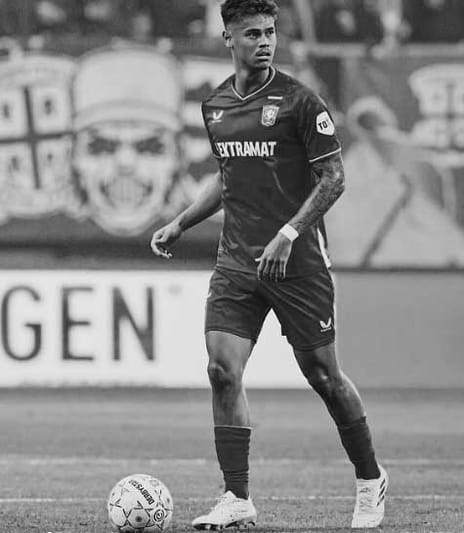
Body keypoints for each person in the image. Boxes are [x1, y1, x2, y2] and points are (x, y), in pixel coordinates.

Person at [149, 0, 388, 529]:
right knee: (221, 370)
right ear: (228, 38)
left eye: (270, 32)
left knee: (324, 376)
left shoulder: (301, 102)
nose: (264, 42)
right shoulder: (215, 106)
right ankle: (237, 497)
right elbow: (228, 177)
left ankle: (370, 479)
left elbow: (334, 178)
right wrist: (181, 222)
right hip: (237, 261)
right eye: (253, 33)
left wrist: (289, 232)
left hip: (298, 263)